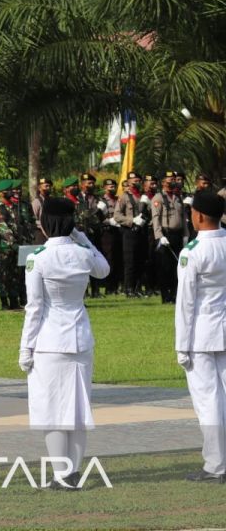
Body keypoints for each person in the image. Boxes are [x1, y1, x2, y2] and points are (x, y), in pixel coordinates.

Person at [18, 198, 110, 490]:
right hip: (80, 336)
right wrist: (81, 237)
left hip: (50, 341)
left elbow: (35, 308)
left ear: (45, 224)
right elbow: (104, 270)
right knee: (78, 409)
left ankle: (62, 474)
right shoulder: (83, 255)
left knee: (52, 410)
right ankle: (72, 472)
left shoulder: (39, 258)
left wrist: (25, 348)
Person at [175, 191, 226, 483]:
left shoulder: (192, 252)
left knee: (207, 401)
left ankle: (216, 465)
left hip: (202, 334)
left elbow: (186, 304)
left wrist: (182, 346)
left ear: (200, 216)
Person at [114, 171, 151, 298]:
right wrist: (132, 221)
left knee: (141, 260)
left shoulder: (143, 196)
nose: (136, 182)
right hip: (129, 232)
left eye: (138, 180)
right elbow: (117, 216)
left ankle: (138, 288)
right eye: (133, 180)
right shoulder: (124, 197)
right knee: (130, 262)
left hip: (142, 231)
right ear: (128, 182)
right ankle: (129, 288)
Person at [0, 180, 24, 311]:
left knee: (16, 275)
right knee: (4, 275)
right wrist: (12, 242)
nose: (12, 192)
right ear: (1, 193)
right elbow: (1, 227)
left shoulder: (15, 207)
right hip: (4, 248)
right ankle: (4, 302)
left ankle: (14, 301)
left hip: (17, 246)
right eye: (8, 190)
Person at [153, 170, 186, 304]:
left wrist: (186, 235)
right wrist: (160, 236)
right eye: (170, 179)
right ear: (163, 182)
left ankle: (174, 294)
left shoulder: (178, 197)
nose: (173, 181)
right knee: (165, 267)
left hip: (177, 234)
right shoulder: (158, 198)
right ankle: (165, 296)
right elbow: (156, 218)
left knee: (176, 267)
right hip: (166, 236)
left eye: (174, 179)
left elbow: (184, 218)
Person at [98, 179, 123, 294]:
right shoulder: (101, 201)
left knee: (118, 259)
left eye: (113, 186)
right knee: (109, 259)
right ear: (104, 188)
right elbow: (99, 218)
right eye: (109, 186)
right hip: (107, 232)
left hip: (118, 231)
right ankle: (109, 287)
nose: (112, 188)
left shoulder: (118, 199)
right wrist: (109, 221)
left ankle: (116, 286)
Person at [32, 178, 53, 244]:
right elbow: (34, 219)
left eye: (49, 186)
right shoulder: (37, 202)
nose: (48, 188)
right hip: (41, 234)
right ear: (40, 188)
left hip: (51, 232)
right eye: (46, 186)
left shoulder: (52, 200)